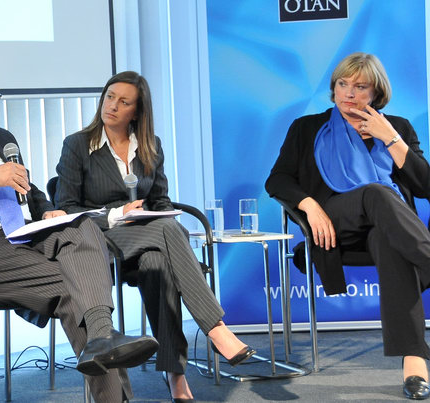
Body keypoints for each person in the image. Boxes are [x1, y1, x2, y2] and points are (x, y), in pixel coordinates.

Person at [0, 61, 159, 402]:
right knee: (75, 285)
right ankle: (108, 361)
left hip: (24, 237)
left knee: (81, 225)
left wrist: (47, 209)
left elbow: (28, 190)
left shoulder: (1, 138)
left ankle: (101, 337)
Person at [54, 71, 255, 403]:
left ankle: (175, 372)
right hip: (99, 243)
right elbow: (67, 209)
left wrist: (158, 214)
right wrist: (118, 214)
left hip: (147, 240)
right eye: (109, 97)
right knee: (167, 232)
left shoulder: (150, 145)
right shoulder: (77, 145)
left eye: (123, 102)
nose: (112, 106)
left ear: (137, 111)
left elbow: (160, 200)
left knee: (158, 262)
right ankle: (216, 329)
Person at [266, 52, 430, 401]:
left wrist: (391, 138)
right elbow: (277, 179)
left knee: (389, 242)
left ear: (376, 93)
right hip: (334, 224)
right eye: (343, 84)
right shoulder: (307, 128)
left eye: (360, 87)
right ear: (334, 87)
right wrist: (309, 205)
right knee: (376, 192)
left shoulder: (398, 127)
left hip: (389, 231)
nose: (349, 93)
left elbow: (425, 186)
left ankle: (414, 363)